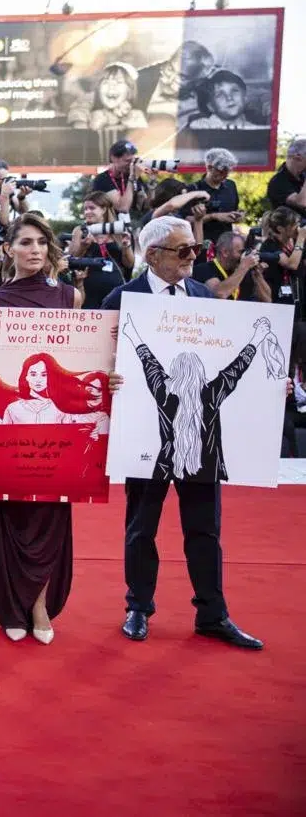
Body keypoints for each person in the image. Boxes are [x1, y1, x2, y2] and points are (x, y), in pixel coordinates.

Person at [102, 215, 264, 650]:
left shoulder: (203, 297)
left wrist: (271, 386)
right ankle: (138, 607)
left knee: (205, 531)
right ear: (153, 255)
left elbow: (227, 367)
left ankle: (213, 614)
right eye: (184, 250)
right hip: (145, 437)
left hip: (201, 442)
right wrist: (107, 378)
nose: (195, 257)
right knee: (141, 528)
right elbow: (99, 363)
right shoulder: (121, 298)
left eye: (197, 249)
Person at [0, 213, 113, 644]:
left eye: (41, 243)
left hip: (56, 432)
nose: (34, 250)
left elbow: (81, 359)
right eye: (25, 242)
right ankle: (15, 606)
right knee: (9, 514)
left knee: (50, 515)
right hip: (12, 430)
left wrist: (107, 377)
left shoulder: (70, 297)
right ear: (8, 249)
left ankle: (40, 606)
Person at [67, 192, 133, 310]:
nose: (87, 212)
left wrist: (126, 246)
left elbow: (129, 263)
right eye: (85, 209)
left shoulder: (117, 230)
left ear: (104, 209)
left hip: (115, 291)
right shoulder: (80, 231)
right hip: (88, 290)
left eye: (92, 208)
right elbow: (71, 259)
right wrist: (83, 246)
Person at [193, 232, 269, 302]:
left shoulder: (244, 271)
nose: (243, 256)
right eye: (240, 252)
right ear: (225, 252)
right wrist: (244, 267)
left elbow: (267, 300)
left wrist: (258, 275)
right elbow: (219, 294)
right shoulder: (204, 269)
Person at [89, 140, 158, 216]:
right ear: (113, 158)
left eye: (133, 161)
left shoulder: (131, 176)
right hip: (112, 225)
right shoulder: (102, 179)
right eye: (128, 161)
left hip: (132, 225)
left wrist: (152, 182)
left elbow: (147, 206)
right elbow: (123, 208)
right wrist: (133, 177)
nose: (131, 165)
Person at [191, 149, 244, 247]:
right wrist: (214, 216)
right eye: (221, 172)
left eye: (228, 171)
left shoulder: (231, 185)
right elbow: (186, 220)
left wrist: (238, 215)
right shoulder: (194, 189)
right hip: (203, 244)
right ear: (209, 167)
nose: (225, 175)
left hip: (226, 245)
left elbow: (235, 209)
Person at [255, 207, 302, 314]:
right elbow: (292, 264)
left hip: (299, 302)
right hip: (278, 303)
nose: (298, 228)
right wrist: (301, 239)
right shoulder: (270, 245)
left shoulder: (296, 241)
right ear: (281, 229)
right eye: (294, 225)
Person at [186, 70, 266, 130]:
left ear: (245, 98)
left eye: (234, 91)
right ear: (211, 107)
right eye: (220, 95)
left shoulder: (254, 130)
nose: (229, 98)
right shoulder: (203, 125)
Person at [266, 137, 306, 220]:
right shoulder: (278, 182)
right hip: (290, 230)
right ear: (298, 157)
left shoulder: (302, 177)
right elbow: (302, 203)